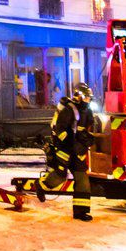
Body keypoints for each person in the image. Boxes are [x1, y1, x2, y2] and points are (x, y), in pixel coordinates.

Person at [35, 82, 97, 220]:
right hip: (65, 150)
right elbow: (60, 130)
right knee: (60, 176)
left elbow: (89, 130)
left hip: (78, 151)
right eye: (86, 97)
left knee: (83, 181)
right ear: (78, 97)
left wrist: (88, 140)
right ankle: (40, 185)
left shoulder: (87, 111)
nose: (88, 100)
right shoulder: (69, 110)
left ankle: (81, 212)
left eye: (89, 98)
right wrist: (67, 142)